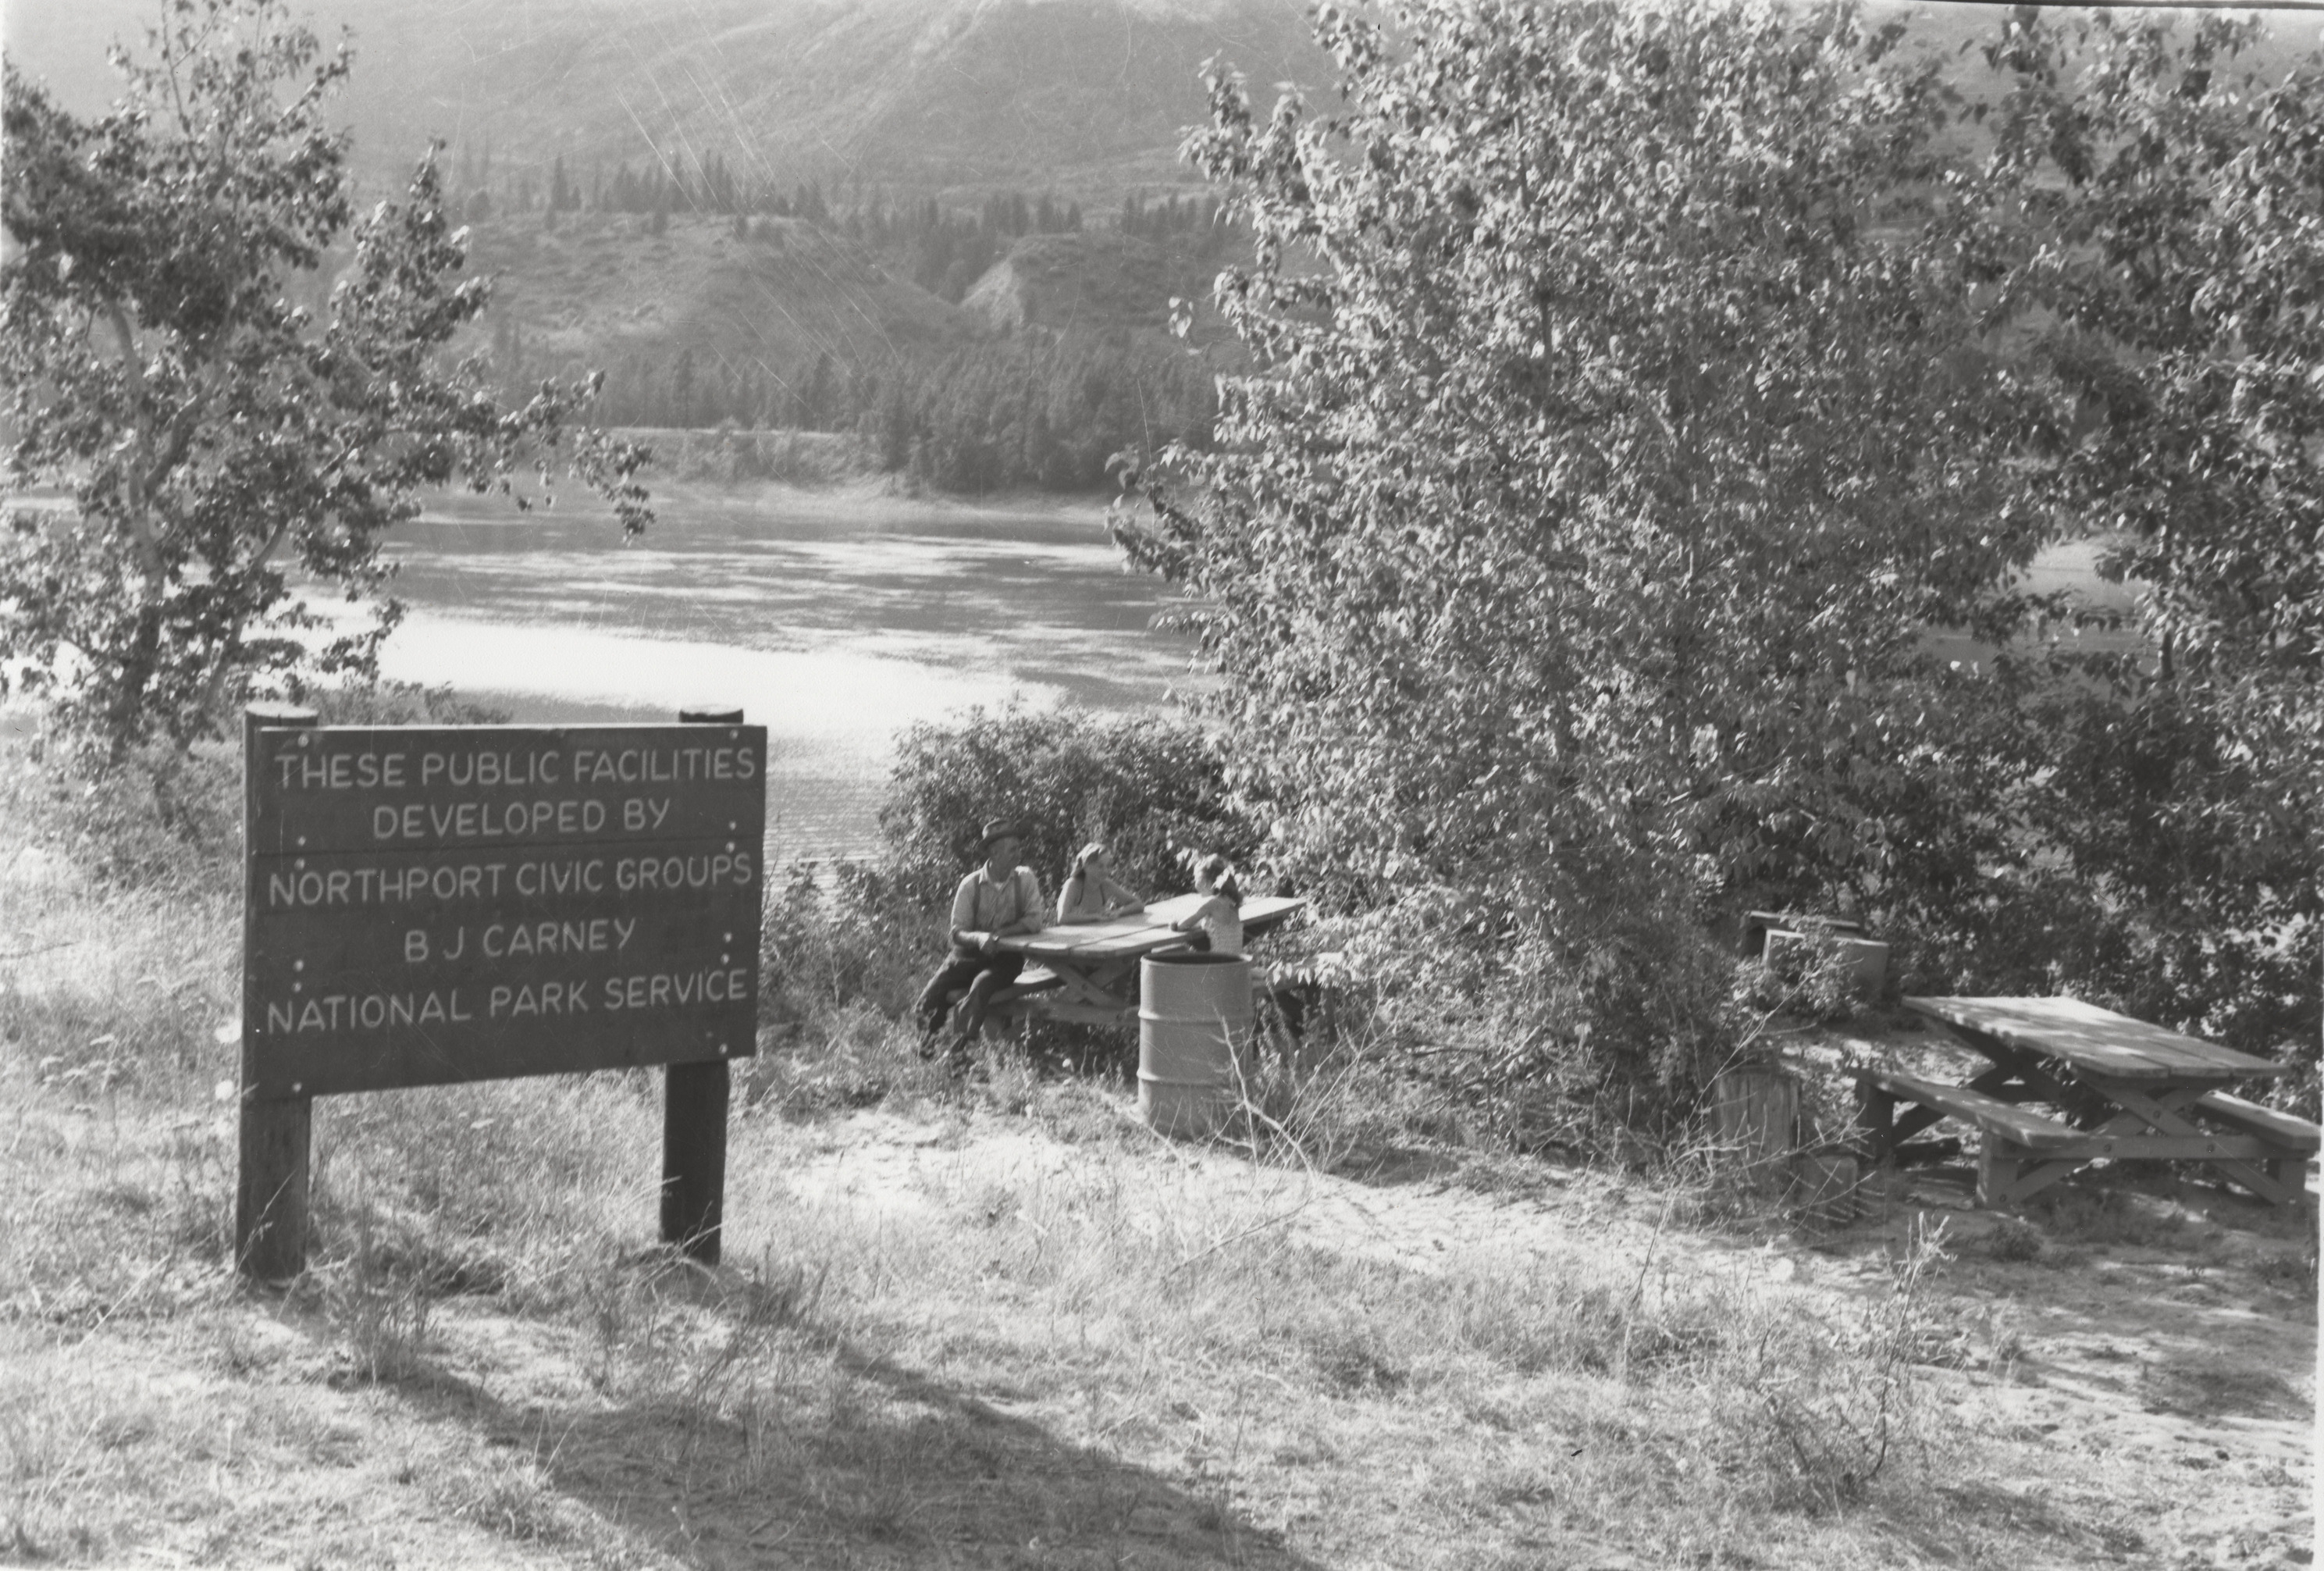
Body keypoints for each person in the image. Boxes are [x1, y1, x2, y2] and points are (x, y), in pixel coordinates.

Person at [914, 819, 1046, 1060]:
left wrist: (998, 935)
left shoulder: (1025, 879)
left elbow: (1035, 921)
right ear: (994, 853)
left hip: (1005, 960)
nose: (1019, 854)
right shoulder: (970, 885)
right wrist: (979, 937)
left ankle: (958, 1054)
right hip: (967, 956)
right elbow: (957, 932)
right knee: (927, 1002)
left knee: (980, 990)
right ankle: (925, 1054)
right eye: (1013, 849)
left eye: (1018, 848)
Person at [1170, 853, 1243, 957]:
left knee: (1176, 952)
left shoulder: (1212, 903)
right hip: (1236, 961)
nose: (1197, 888)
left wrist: (1174, 924)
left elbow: (1184, 925)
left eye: (1198, 883)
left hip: (1219, 962)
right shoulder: (1231, 902)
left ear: (1208, 883)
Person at [1056, 841, 1144, 924]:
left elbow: (1138, 904)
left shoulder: (1106, 885)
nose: (1105, 871)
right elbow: (1062, 917)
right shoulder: (1073, 885)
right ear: (1086, 866)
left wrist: (1118, 912)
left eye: (1108, 866)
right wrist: (1096, 917)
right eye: (1100, 866)